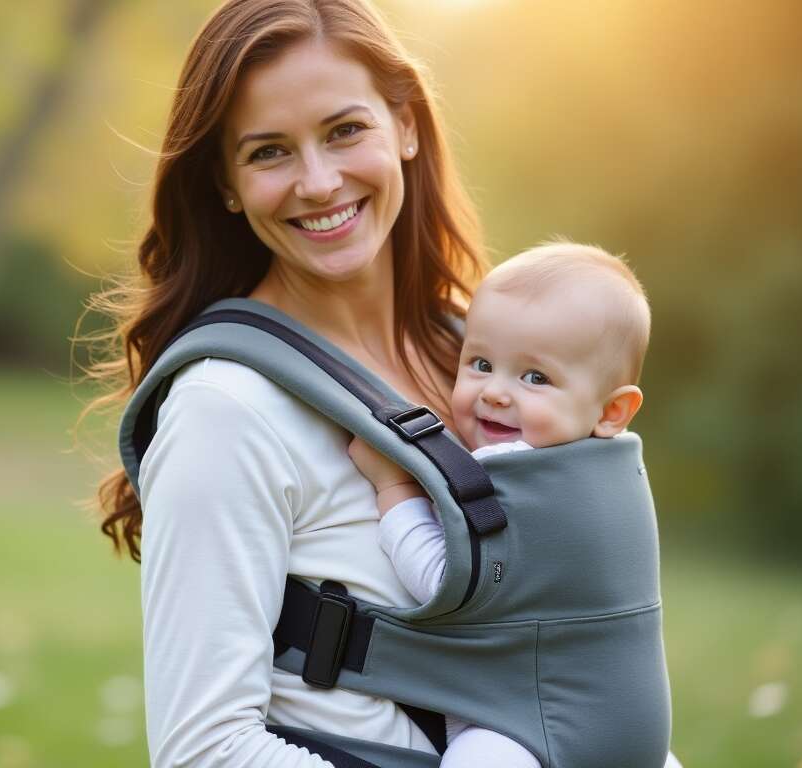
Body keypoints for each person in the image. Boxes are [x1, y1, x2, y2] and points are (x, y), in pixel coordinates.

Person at [92, 2, 682, 766]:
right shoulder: (224, 411)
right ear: (228, 184)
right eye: (270, 152)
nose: (318, 181)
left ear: (405, 126)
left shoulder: (475, 362)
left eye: (344, 131)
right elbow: (205, 752)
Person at [347, 241, 651, 767]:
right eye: (481, 363)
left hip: (529, 725)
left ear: (612, 410)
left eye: (536, 377)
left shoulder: (517, 472)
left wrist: (392, 487)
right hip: (637, 729)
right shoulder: (613, 472)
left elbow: (446, 580)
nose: (495, 393)